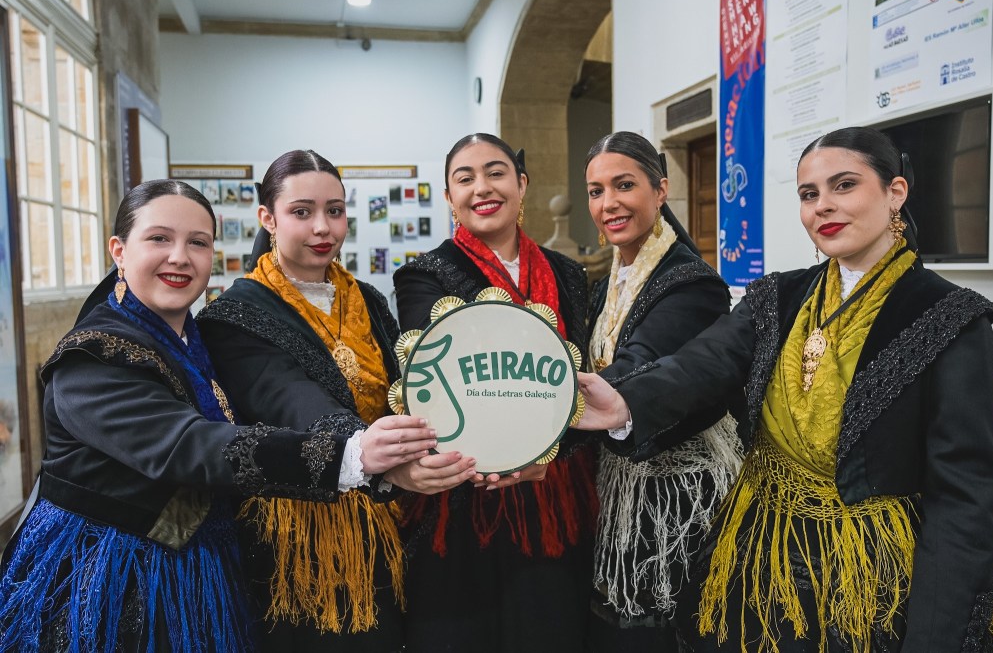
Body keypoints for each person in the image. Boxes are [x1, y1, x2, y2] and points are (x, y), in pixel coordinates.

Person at [575, 127, 993, 651]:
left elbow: (966, 495)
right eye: (809, 194)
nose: (823, 206)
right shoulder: (782, 295)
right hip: (764, 552)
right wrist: (625, 400)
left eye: (843, 186)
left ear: (895, 192)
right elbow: (702, 362)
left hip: (873, 576)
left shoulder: (948, 318)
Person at [0, 180, 434, 652]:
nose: (180, 257)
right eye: (159, 239)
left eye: (198, 243)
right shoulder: (92, 359)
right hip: (110, 582)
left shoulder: (195, 338)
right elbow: (191, 445)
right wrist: (352, 455)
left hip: (201, 566)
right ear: (119, 251)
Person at [198, 150, 476, 652]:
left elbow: (408, 385)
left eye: (335, 210)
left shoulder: (366, 297)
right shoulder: (236, 312)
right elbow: (285, 396)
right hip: (296, 537)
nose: (323, 227)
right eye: (301, 212)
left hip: (387, 515)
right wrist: (370, 453)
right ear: (269, 218)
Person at [393, 133, 598, 652]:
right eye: (465, 179)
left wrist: (550, 453)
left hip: (556, 487)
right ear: (448, 196)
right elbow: (439, 380)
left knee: (551, 628)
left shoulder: (567, 273)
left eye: (496, 173)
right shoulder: (423, 275)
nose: (481, 188)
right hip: (465, 492)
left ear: (522, 184)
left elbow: (579, 375)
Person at [583, 132, 744, 651]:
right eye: (596, 190)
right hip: (624, 481)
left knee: (667, 632)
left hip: (680, 496)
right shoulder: (610, 279)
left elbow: (634, 367)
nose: (608, 203)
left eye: (624, 185)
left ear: (661, 189)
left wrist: (536, 425)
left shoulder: (691, 284)